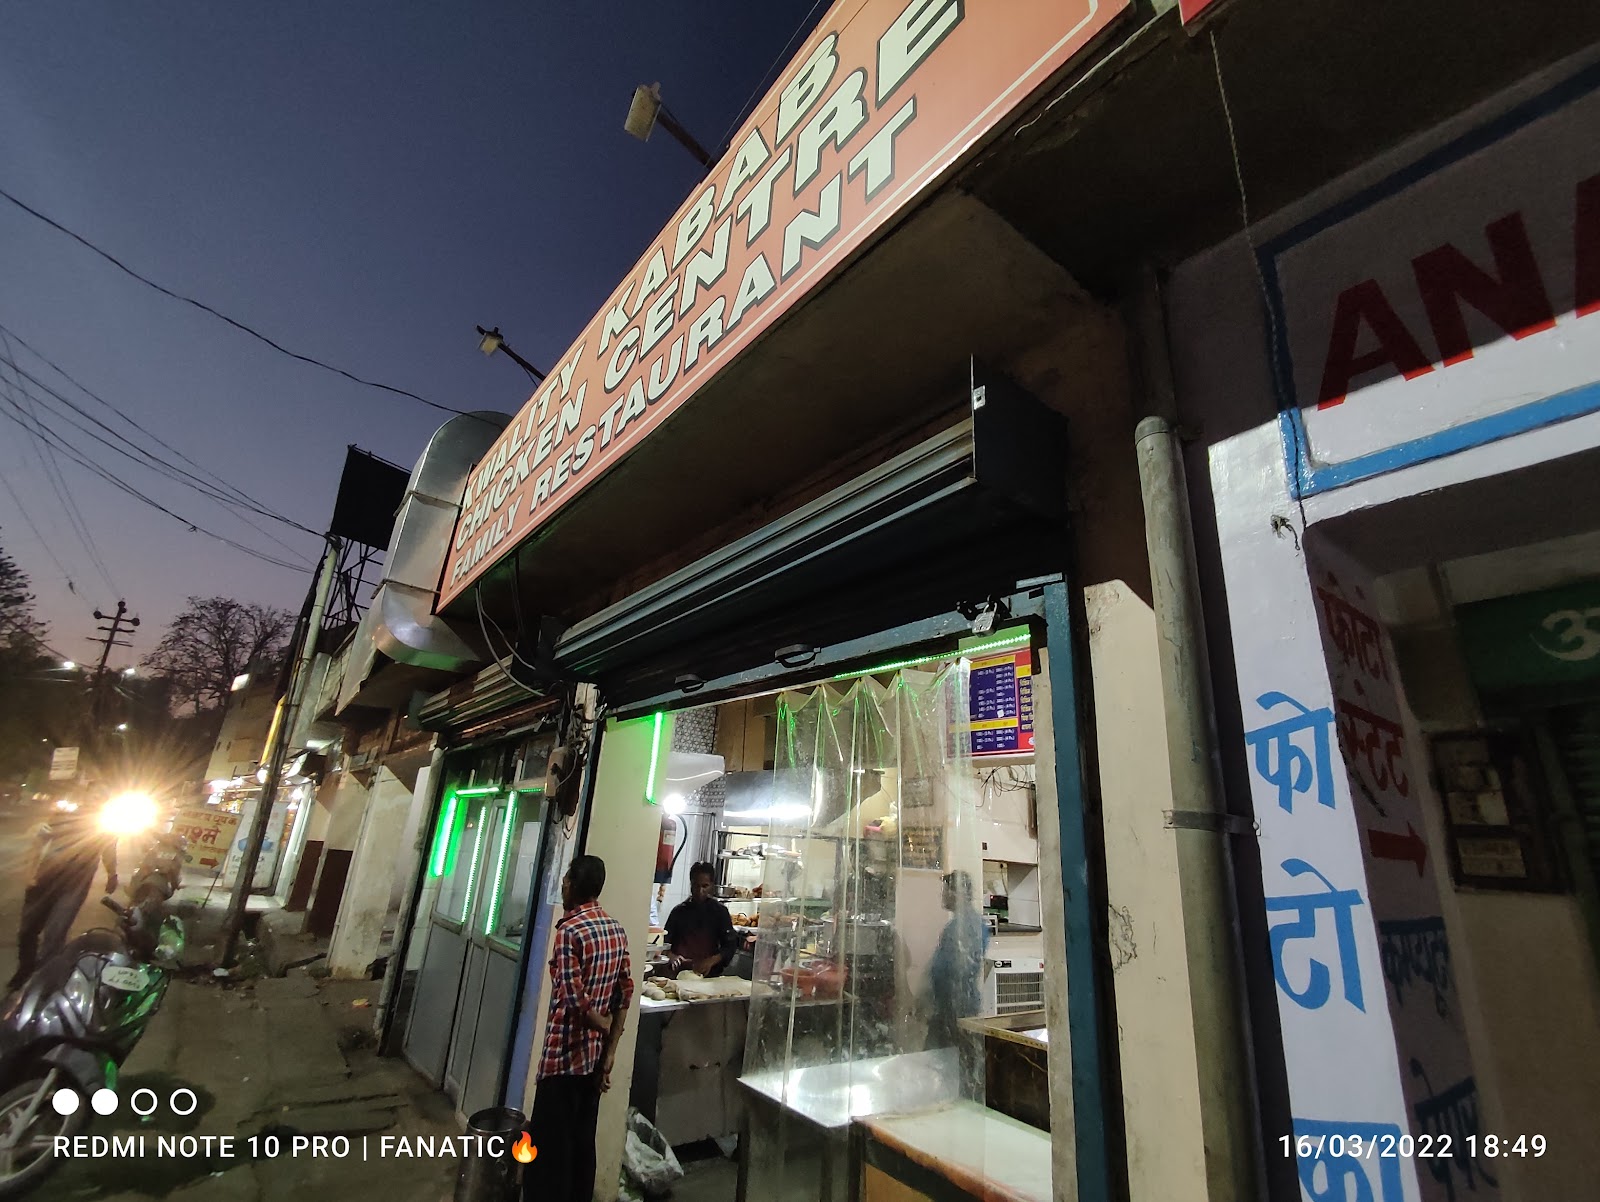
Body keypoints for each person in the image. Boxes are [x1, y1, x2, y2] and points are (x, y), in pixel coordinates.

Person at [526, 854, 633, 1202]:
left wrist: (602, 1028)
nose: (563, 884)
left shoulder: (570, 932)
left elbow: (575, 1001)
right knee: (581, 1149)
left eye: (567, 879)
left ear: (573, 885)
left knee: (548, 1160)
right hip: (592, 1065)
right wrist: (609, 1053)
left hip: (562, 1062)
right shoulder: (615, 929)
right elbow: (624, 993)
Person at [7, 807, 119, 993]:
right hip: (44, 879)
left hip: (75, 884)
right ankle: (26, 968)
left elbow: (108, 849)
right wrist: (30, 873)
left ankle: (43, 980)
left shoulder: (104, 825)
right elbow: (38, 843)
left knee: (55, 932)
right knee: (27, 930)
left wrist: (112, 874)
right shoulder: (62, 816)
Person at [923, 869, 989, 1050]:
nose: (942, 895)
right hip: (949, 1008)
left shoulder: (965, 926)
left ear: (955, 893)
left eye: (944, 890)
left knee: (949, 1060)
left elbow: (955, 971)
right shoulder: (959, 924)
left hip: (957, 1009)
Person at [663, 862, 739, 978]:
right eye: (696, 885)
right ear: (691, 884)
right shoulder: (678, 912)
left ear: (712, 886)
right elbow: (664, 943)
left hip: (709, 976)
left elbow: (730, 946)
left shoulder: (720, 912)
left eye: (705, 886)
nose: (700, 891)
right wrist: (671, 956)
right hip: (679, 975)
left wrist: (711, 961)